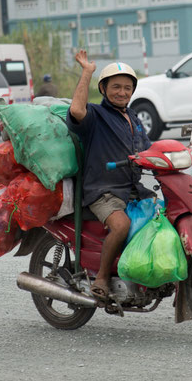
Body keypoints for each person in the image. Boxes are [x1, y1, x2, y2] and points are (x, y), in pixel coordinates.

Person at [66, 49, 154, 304]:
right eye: (115, 87)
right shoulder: (95, 114)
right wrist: (87, 72)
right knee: (122, 225)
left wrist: (184, 152)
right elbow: (77, 110)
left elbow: (149, 149)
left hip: (132, 187)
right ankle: (102, 277)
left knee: (161, 217)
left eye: (127, 88)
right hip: (103, 189)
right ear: (103, 89)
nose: (122, 92)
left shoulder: (133, 118)